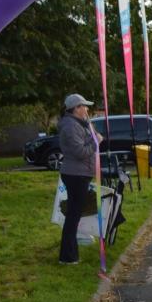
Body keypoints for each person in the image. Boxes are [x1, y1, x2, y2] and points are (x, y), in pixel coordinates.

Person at [57, 93, 102, 265]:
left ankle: (69, 253)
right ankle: (68, 256)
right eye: (84, 106)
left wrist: (93, 135)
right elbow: (80, 152)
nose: (87, 109)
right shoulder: (70, 126)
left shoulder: (79, 123)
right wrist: (95, 141)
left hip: (80, 173)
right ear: (76, 108)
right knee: (73, 214)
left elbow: (87, 142)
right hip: (76, 174)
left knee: (74, 214)